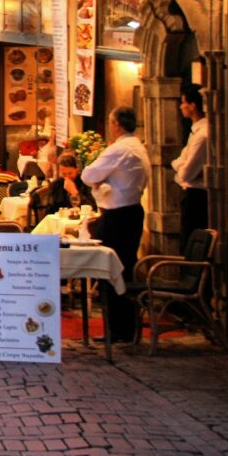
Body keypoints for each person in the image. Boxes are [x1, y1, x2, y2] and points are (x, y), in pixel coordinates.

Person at [81, 105, 151, 343]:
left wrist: (99, 183)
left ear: (117, 125)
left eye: (111, 123)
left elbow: (88, 175)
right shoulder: (138, 146)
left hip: (117, 217)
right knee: (125, 266)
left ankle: (117, 329)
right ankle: (125, 327)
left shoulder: (119, 149)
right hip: (133, 212)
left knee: (110, 270)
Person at [172, 84, 209, 242]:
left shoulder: (203, 135)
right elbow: (177, 162)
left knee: (191, 242)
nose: (181, 106)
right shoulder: (195, 131)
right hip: (192, 194)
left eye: (184, 102)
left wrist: (182, 167)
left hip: (198, 197)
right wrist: (182, 164)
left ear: (193, 106)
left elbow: (187, 173)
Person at [34, 152, 97, 216]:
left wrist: (75, 193)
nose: (67, 177)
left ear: (77, 169)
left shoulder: (85, 182)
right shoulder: (56, 185)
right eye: (64, 174)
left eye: (70, 173)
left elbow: (93, 207)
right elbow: (49, 211)